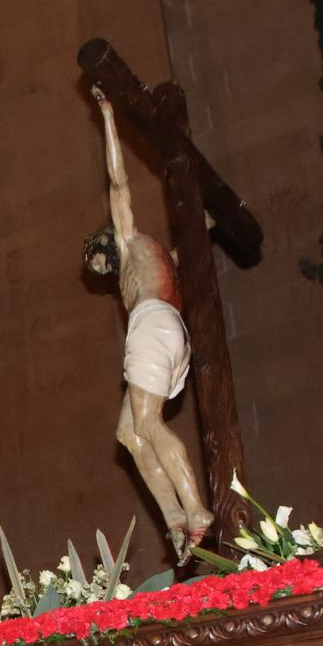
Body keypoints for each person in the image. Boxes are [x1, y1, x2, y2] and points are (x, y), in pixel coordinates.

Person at [82, 87, 213, 564]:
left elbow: (118, 183)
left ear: (106, 244)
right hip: (170, 334)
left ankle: (196, 510)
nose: (101, 270)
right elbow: (188, 255)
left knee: (149, 425)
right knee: (129, 435)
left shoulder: (129, 240)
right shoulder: (162, 259)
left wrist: (108, 116)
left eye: (100, 261)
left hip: (153, 327)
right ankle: (174, 518)